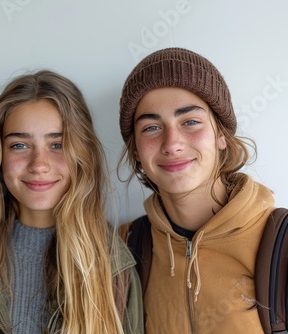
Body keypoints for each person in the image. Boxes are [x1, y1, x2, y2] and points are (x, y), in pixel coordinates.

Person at [0, 70, 143, 333]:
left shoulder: (113, 266)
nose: (39, 165)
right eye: (20, 145)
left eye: (57, 144)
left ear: (82, 154)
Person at [117, 47, 277, 333]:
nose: (172, 143)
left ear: (220, 135)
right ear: (137, 151)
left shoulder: (281, 244)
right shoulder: (124, 248)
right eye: (151, 127)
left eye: (190, 121)